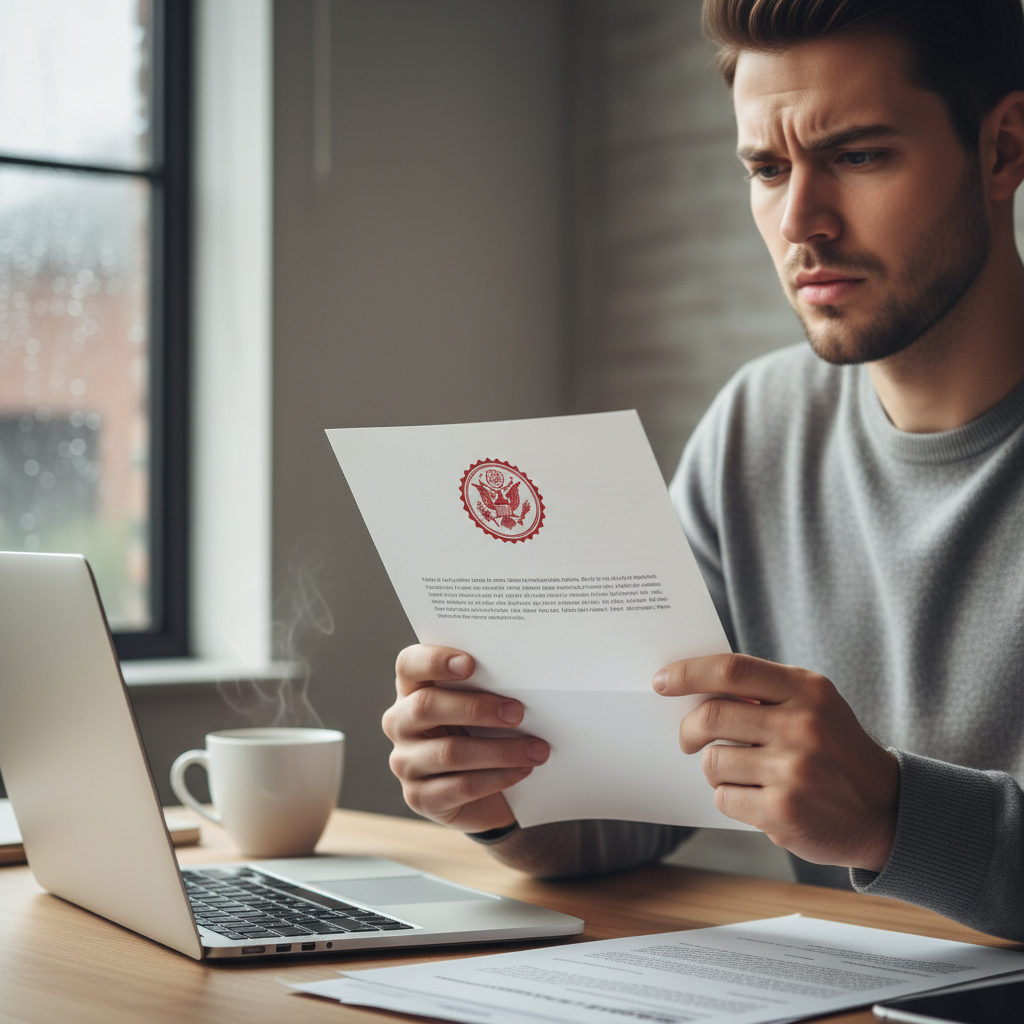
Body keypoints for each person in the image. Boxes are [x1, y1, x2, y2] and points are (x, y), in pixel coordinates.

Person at [382, 0, 1024, 942]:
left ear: (1004, 150)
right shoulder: (756, 427)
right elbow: (649, 795)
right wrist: (506, 794)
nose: (802, 221)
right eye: (767, 168)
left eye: (857, 155)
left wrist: (894, 814)